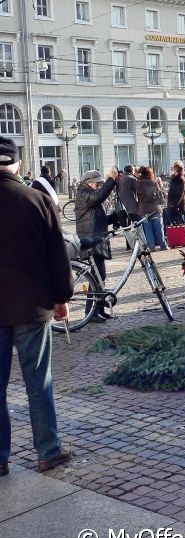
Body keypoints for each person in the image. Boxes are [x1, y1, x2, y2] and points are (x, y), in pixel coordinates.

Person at [0, 137, 74, 476]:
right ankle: (47, 451)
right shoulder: (38, 200)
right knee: (38, 383)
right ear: (16, 164)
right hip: (33, 308)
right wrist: (62, 298)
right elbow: (58, 256)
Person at [75, 167, 118, 320]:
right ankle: (91, 312)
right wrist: (111, 180)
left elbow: (99, 218)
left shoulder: (89, 194)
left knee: (100, 276)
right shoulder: (83, 193)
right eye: (97, 184)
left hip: (97, 237)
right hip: (90, 239)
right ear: (88, 183)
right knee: (96, 277)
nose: (99, 186)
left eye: (101, 184)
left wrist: (114, 217)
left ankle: (98, 310)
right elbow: (99, 197)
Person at [136, 166, 168, 251]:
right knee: (159, 228)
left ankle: (151, 246)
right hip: (154, 208)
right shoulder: (153, 182)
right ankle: (163, 245)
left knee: (148, 229)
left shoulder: (138, 183)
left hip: (143, 209)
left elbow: (138, 196)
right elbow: (159, 195)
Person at [165, 161, 185, 226]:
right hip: (175, 204)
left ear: (176, 169)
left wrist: (174, 204)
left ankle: (179, 235)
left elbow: (180, 193)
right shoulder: (177, 177)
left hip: (177, 205)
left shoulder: (180, 179)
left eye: (173, 168)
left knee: (178, 224)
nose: (172, 169)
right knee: (175, 223)